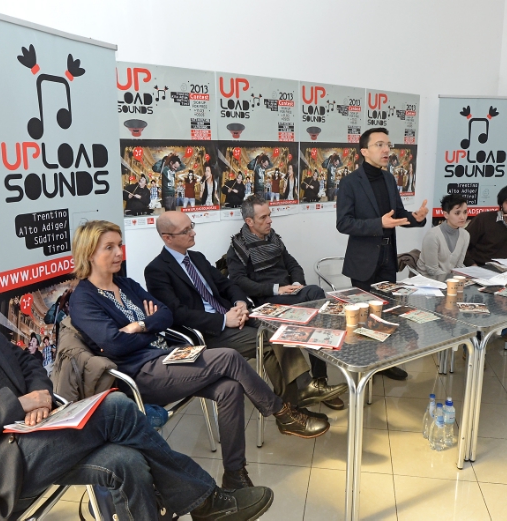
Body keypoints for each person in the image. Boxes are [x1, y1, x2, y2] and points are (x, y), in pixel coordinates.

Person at [0, 257, 273, 521]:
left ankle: (202, 503)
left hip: (36, 434)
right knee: (117, 408)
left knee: (127, 462)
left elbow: (27, 361)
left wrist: (40, 398)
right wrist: (15, 405)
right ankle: (207, 501)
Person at [68, 221, 329, 490]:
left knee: (229, 388)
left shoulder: (126, 285)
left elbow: (164, 314)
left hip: (166, 355)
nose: (118, 253)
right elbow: (115, 345)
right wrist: (149, 327)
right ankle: (283, 413)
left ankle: (235, 475)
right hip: (139, 373)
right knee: (228, 357)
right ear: (89, 253)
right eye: (109, 247)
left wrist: (141, 325)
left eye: (119, 245)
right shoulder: (83, 299)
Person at [145, 212, 346, 410]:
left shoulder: (196, 258)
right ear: (167, 237)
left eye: (192, 226)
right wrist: (223, 320)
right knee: (271, 339)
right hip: (209, 330)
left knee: (280, 328)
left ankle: (292, 403)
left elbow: (227, 284)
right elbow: (177, 313)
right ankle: (296, 398)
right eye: (185, 230)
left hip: (234, 315)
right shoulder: (157, 270)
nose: (193, 233)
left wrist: (240, 303)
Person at [227, 194, 347, 410]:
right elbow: (238, 281)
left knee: (316, 306)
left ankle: (319, 381)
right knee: (317, 300)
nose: (269, 221)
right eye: (263, 217)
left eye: (269, 215)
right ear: (249, 221)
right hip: (267, 301)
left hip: (289, 294)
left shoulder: (273, 238)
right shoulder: (238, 247)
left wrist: (298, 283)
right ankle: (315, 384)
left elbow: (293, 265)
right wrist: (276, 288)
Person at [335, 127, 428, 380]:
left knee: (386, 312)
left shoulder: (388, 179)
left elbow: (397, 214)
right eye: (379, 145)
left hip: (388, 256)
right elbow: (344, 223)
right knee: (364, 315)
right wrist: (379, 224)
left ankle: (383, 362)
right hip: (363, 260)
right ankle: (363, 366)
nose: (387, 149)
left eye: (388, 145)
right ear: (364, 151)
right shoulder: (349, 182)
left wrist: (416, 218)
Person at [463, 183, 507, 346]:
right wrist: (472, 266)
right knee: (485, 296)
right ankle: (497, 333)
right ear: (501, 203)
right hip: (479, 271)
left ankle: (501, 329)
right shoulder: (484, 219)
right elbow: (463, 246)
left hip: (506, 276)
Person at [417, 194, 471, 277]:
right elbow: (432, 270)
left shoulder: (465, 235)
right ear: (446, 214)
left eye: (465, 212)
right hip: (428, 279)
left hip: (449, 279)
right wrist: (452, 279)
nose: (463, 217)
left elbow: (459, 266)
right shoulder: (433, 235)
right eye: (457, 213)